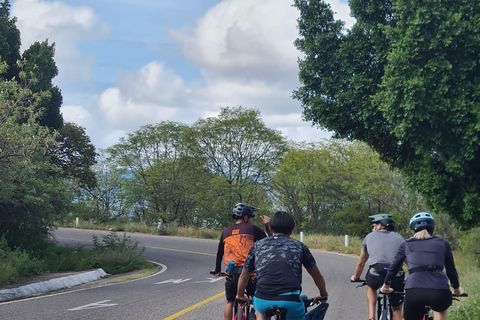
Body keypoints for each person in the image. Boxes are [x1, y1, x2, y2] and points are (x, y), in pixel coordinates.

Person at [236, 211, 328, 320]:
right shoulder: (299, 246)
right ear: (291, 231)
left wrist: (240, 295)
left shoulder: (257, 246)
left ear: (270, 229)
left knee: (262, 313)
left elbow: (244, 275)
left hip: (262, 300)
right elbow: (317, 276)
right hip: (290, 301)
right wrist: (323, 294)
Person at [380, 212, 465, 320]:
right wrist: (456, 290)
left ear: (412, 231)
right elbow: (451, 270)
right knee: (441, 310)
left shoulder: (406, 244)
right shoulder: (443, 243)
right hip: (439, 290)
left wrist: (386, 286)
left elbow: (394, 268)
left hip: (414, 291)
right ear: (432, 230)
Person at [212, 203, 268, 320]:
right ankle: (252, 309)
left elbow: (219, 252)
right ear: (246, 217)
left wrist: (217, 269)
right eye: (250, 218)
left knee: (229, 302)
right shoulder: (252, 229)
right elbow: (268, 242)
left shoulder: (226, 231)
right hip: (249, 273)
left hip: (231, 272)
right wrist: (267, 226)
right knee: (256, 298)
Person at [351, 214, 405, 320]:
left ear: (380, 225)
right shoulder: (400, 238)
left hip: (376, 274)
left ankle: (371, 316)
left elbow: (361, 262)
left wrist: (356, 277)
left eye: (373, 226)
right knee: (397, 309)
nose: (372, 228)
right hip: (395, 275)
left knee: (371, 286)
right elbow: (408, 261)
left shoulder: (369, 237)